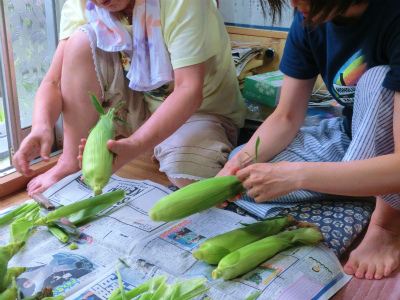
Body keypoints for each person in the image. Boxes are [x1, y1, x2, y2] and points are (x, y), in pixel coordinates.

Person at [218, 0, 400, 280]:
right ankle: (363, 184)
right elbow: (286, 117)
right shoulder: (311, 14)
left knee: (376, 80)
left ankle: (386, 225)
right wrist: (237, 165)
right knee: (248, 170)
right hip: (353, 139)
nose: (293, 2)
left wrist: (297, 177)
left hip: (393, 154)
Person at [12, 0, 245, 196]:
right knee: (81, 41)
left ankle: (164, 143)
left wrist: (135, 146)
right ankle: (70, 160)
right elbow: (55, 80)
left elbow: (189, 90)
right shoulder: (83, 3)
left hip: (201, 111)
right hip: (140, 103)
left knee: (191, 182)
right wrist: (41, 127)